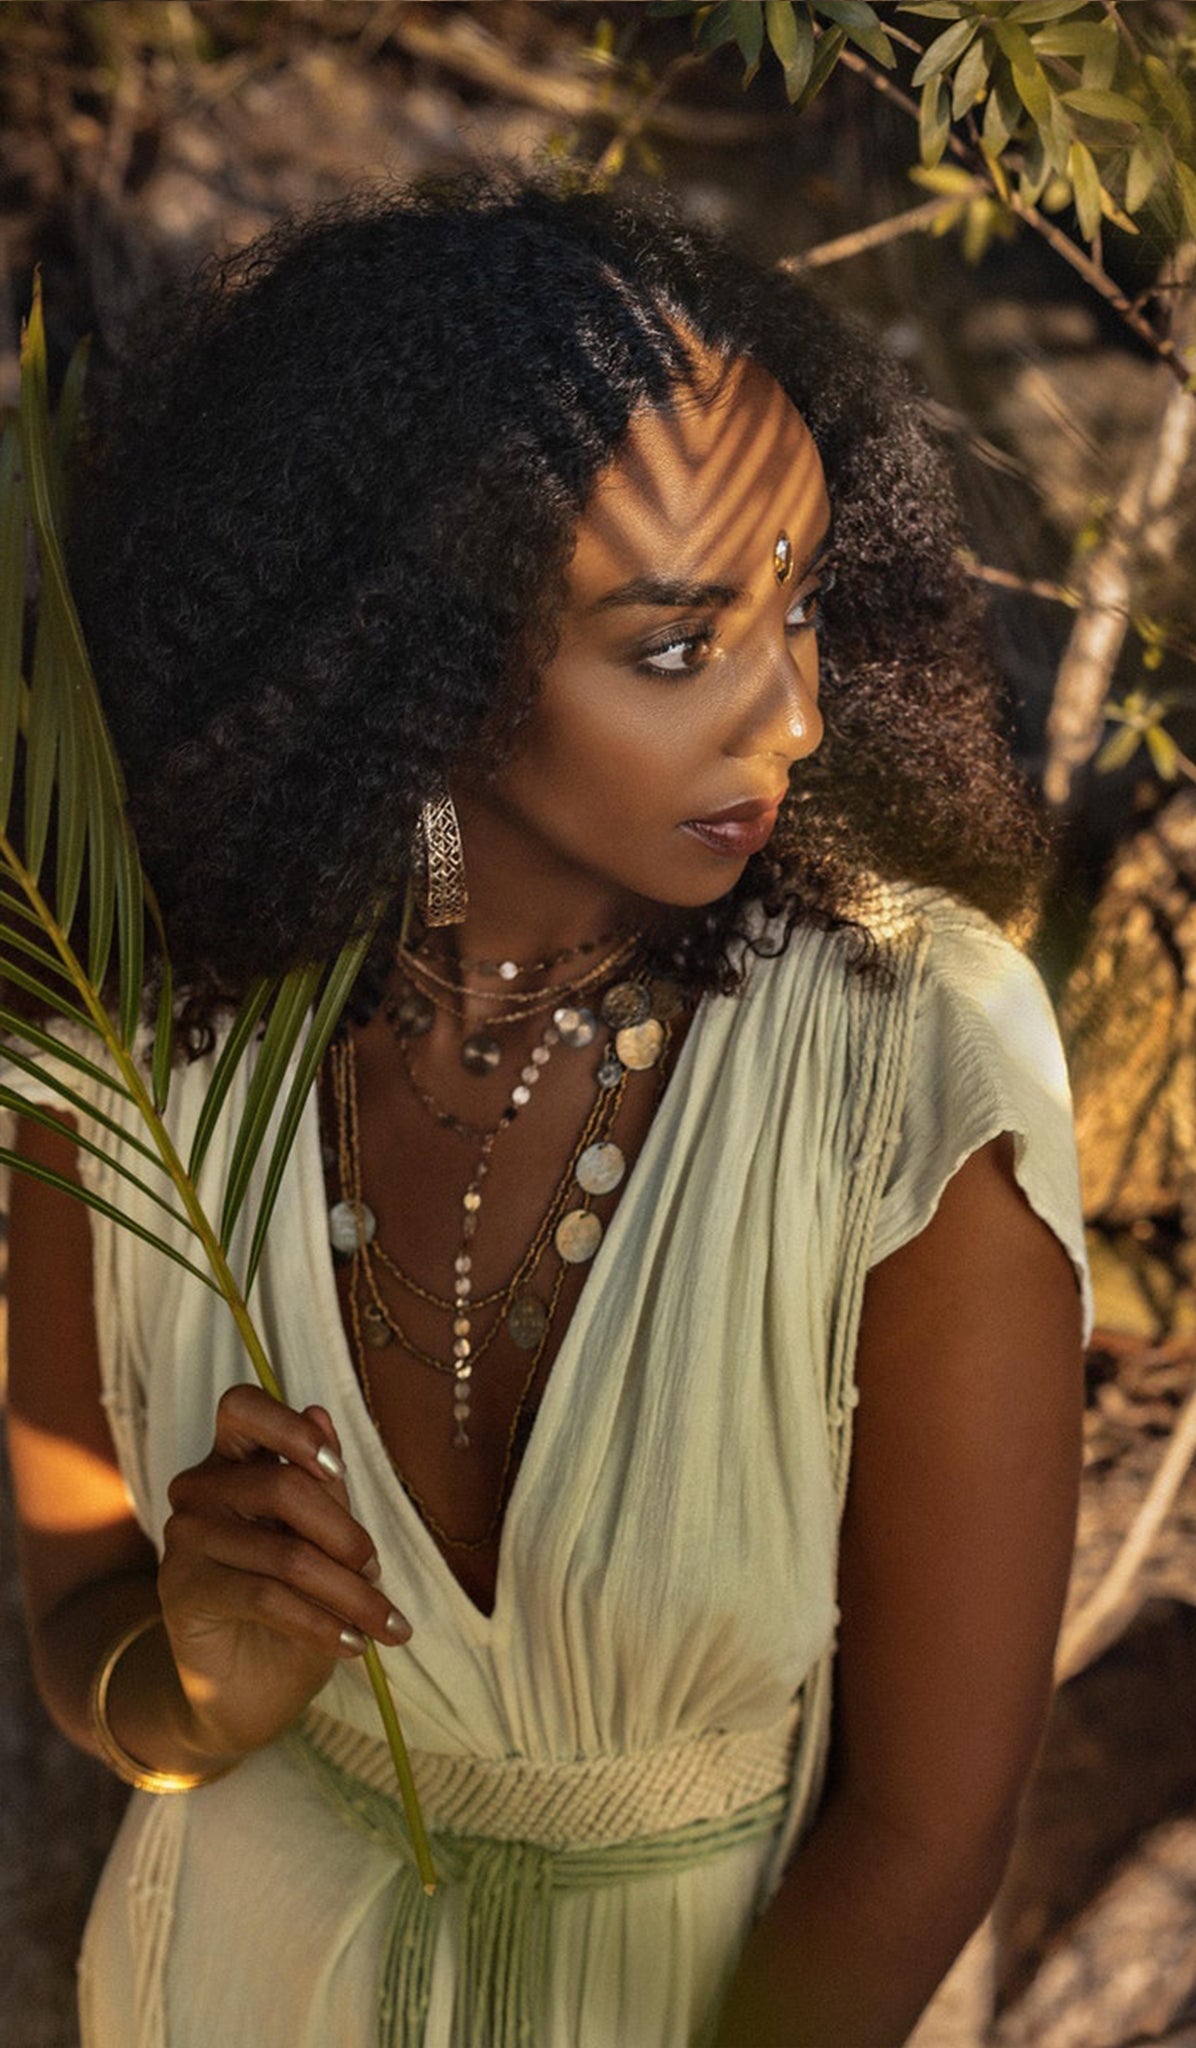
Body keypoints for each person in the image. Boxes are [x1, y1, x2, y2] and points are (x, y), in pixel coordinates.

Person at [4, 173, 1090, 2048]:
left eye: (800, 607)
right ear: (409, 664)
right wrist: (195, 1698)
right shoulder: (127, 1034)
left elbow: (923, 1829)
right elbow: (85, 1627)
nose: (795, 723)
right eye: (675, 649)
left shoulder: (907, 1066)